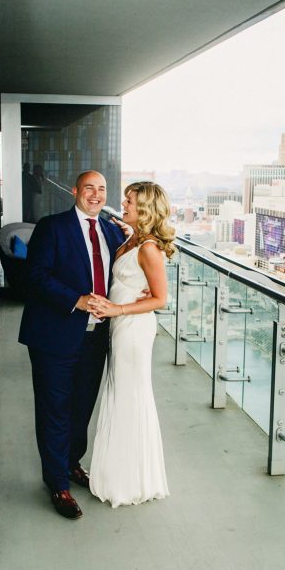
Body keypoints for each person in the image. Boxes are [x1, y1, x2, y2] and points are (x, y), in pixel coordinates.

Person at [18, 170, 126, 519]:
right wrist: (76, 300)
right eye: (89, 188)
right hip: (54, 334)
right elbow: (35, 277)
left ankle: (72, 463)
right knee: (54, 409)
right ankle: (57, 483)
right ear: (75, 190)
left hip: (96, 337)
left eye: (102, 190)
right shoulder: (52, 227)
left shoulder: (111, 231)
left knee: (82, 406)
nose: (96, 195)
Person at [87, 181, 173, 507]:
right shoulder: (133, 238)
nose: (124, 204)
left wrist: (117, 308)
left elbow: (161, 298)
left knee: (131, 396)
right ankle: (119, 474)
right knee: (119, 393)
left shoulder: (149, 248)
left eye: (130, 202)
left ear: (146, 209)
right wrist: (128, 229)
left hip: (134, 330)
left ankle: (131, 480)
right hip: (121, 327)